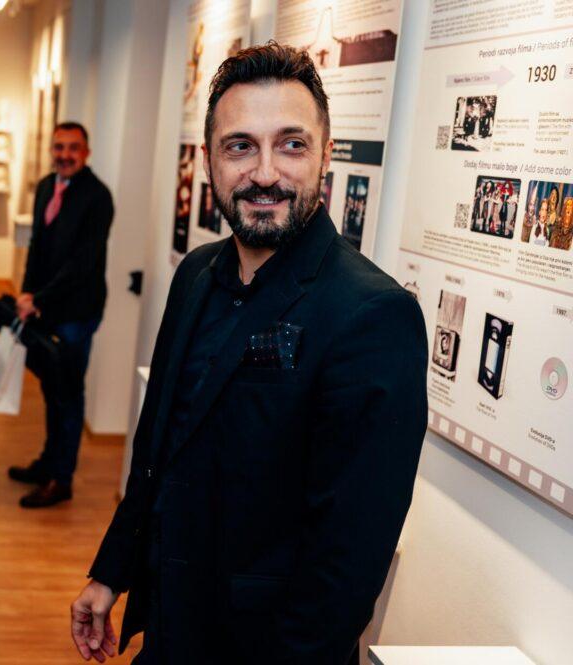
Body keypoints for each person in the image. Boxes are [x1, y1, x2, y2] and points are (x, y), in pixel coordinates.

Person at [70, 44, 428, 664]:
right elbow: (159, 445)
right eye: (241, 146)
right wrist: (113, 569)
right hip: (171, 622)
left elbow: (348, 558)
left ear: (326, 154)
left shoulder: (372, 313)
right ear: (209, 158)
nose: (265, 173)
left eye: (291, 144)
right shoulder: (197, 275)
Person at [7, 122, 114, 508]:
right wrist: (25, 291)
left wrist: (41, 297)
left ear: (86, 153)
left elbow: (82, 264)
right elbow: (38, 246)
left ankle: (61, 480)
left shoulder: (98, 197)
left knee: (68, 392)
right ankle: (48, 463)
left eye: (73, 148)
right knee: (51, 389)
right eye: (58, 147)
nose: (64, 155)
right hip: (46, 307)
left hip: (76, 312)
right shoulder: (45, 187)